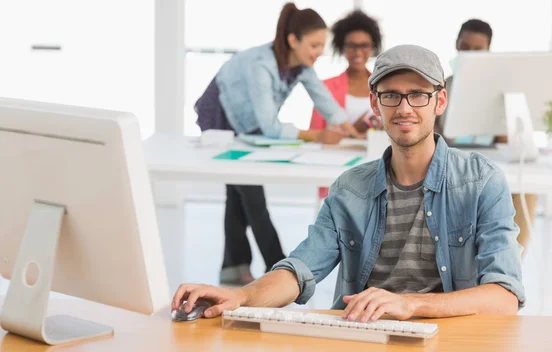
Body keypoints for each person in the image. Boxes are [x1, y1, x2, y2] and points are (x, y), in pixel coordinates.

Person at [175, 44, 525, 322]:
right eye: (391, 95)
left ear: (440, 101)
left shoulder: (482, 181)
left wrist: (409, 305)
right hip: (365, 336)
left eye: (418, 94)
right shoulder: (350, 189)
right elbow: (300, 270)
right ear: (375, 103)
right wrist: (241, 297)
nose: (404, 108)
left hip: (452, 338)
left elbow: (505, 296)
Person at [194, 2, 361, 286]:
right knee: (250, 192)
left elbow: (324, 100)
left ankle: (233, 267)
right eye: (314, 45)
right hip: (221, 117)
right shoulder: (262, 65)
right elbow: (270, 127)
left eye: (322, 45)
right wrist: (318, 136)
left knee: (240, 193)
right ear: (293, 40)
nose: (319, 52)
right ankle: (281, 270)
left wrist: (351, 131)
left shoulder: (301, 65)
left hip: (250, 125)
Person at [435, 19, 538, 253]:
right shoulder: (441, 87)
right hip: (453, 161)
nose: (470, 54)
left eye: (477, 50)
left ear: (488, 51)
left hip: (492, 161)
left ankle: (512, 262)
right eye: (465, 48)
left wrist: (508, 127)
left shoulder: (503, 90)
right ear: (456, 45)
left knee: (525, 189)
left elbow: (508, 138)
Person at [309, 10, 383, 199]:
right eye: (351, 46)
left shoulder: (384, 87)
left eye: (364, 45)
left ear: (373, 47)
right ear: (342, 47)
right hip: (335, 171)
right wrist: (354, 130)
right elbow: (315, 135)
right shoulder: (326, 88)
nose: (358, 52)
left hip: (374, 171)